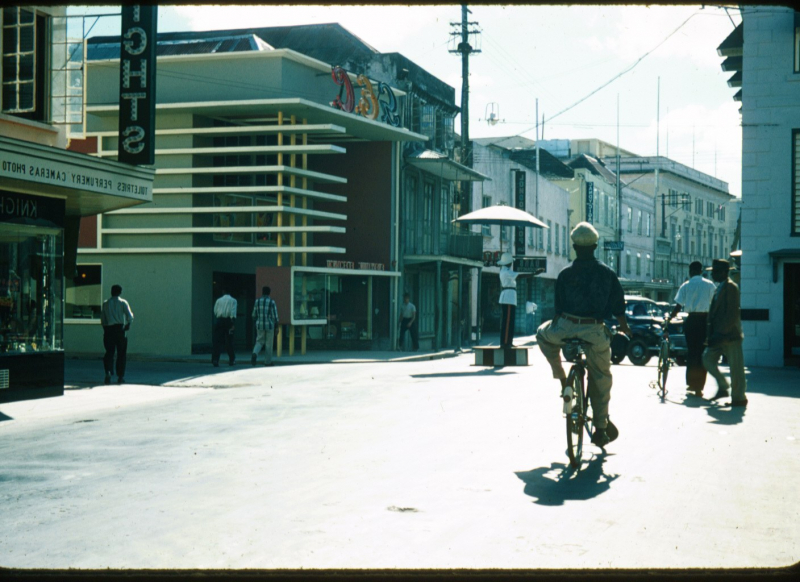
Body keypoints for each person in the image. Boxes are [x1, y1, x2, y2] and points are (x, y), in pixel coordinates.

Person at [536, 222, 632, 448]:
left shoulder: (565, 273)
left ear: (574, 247)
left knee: (541, 334)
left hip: (565, 325)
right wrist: (624, 328)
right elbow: (618, 307)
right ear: (596, 246)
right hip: (594, 329)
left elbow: (558, 308)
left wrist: (560, 326)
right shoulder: (607, 273)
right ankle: (600, 429)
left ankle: (562, 379)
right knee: (600, 377)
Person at [703, 259, 748, 407]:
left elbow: (732, 314)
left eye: (715, 272)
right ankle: (723, 386)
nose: (712, 275)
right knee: (707, 359)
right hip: (718, 335)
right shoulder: (719, 288)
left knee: (736, 369)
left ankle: (739, 398)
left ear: (724, 272)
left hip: (730, 335)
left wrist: (720, 333)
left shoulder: (731, 287)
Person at [668, 261, 717, 397]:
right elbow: (715, 303)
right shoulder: (709, 285)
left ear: (690, 271)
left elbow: (678, 306)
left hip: (691, 321)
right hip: (704, 322)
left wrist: (670, 319)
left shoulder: (686, 285)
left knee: (691, 352)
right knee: (702, 352)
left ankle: (691, 382)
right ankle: (699, 386)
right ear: (701, 271)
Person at [100, 284, 134, 385]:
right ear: (120, 292)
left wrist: (106, 329)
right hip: (120, 329)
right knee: (121, 354)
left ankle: (108, 372)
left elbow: (103, 320)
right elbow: (130, 316)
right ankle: (120, 376)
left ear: (111, 292)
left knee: (109, 352)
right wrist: (128, 325)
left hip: (109, 330)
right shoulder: (123, 302)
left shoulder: (106, 303)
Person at [251, 286, 279, 366]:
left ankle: (255, 353)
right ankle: (267, 362)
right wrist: (276, 326)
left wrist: (256, 321)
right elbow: (275, 316)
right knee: (269, 344)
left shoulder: (257, 301)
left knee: (259, 341)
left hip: (259, 324)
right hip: (269, 325)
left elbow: (253, 314)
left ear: (262, 292)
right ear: (269, 293)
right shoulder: (271, 302)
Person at [498, 252, 520, 347]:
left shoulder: (505, 271)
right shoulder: (506, 271)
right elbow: (520, 276)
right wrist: (534, 273)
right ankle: (506, 342)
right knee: (507, 321)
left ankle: (508, 341)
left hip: (509, 296)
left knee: (509, 321)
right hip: (508, 297)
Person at [212, 288, 237, 367]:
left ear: (223, 292)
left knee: (217, 341)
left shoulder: (218, 300)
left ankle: (215, 359)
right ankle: (231, 360)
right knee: (229, 341)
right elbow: (233, 312)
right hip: (229, 321)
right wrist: (232, 322)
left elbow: (215, 311)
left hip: (219, 321)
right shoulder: (233, 300)